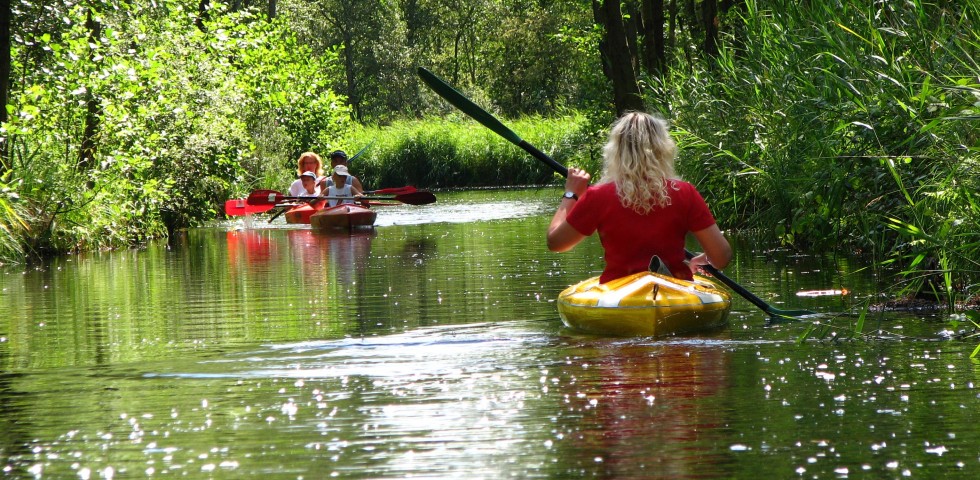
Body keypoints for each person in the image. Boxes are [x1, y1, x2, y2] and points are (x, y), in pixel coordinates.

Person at [547, 112, 732, 283]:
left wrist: (571, 194)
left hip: (619, 291)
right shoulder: (685, 192)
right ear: (663, 149)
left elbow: (556, 243)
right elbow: (721, 258)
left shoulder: (598, 195)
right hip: (675, 286)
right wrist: (705, 258)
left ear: (616, 151)